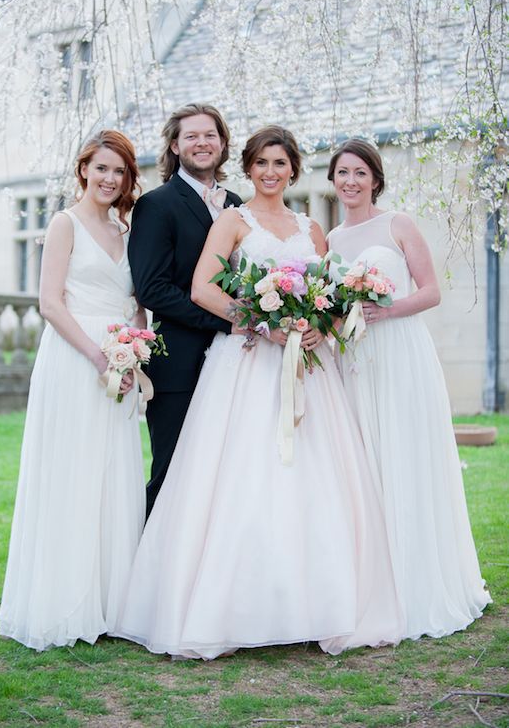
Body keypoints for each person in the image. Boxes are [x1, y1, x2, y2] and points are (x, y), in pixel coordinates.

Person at [113, 126, 403, 659]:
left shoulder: (313, 228)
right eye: (262, 163)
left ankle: (316, 603)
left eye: (281, 163)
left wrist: (321, 325)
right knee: (241, 476)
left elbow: (333, 297)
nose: (271, 172)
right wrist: (256, 321)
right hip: (247, 363)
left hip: (307, 368)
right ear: (249, 168)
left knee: (313, 478)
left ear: (294, 169)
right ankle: (233, 607)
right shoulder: (232, 220)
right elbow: (202, 287)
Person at [327, 137, 491, 640]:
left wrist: (385, 309)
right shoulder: (331, 240)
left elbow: (432, 290)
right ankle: (377, 582)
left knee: (404, 459)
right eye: (342, 173)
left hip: (400, 353)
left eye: (360, 172)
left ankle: (420, 582)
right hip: (354, 359)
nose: (350, 181)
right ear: (332, 180)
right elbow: (332, 307)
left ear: (375, 178)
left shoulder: (398, 224)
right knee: (366, 465)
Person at [0, 130, 147, 651]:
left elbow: (134, 301)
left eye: (119, 171)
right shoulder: (64, 223)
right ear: (83, 169)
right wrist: (96, 354)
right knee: (72, 471)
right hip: (73, 357)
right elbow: (51, 302)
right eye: (101, 168)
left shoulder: (125, 231)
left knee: (113, 472)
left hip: (119, 360)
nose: (109, 179)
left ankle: (109, 601)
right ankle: (64, 601)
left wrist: (135, 346)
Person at [129, 103, 241, 517]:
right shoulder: (156, 205)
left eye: (210, 135)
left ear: (223, 143)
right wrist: (229, 319)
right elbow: (152, 289)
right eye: (191, 136)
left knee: (224, 477)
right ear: (175, 145)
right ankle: (146, 575)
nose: (202, 143)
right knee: (172, 476)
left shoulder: (236, 203)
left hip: (237, 366)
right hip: (179, 364)